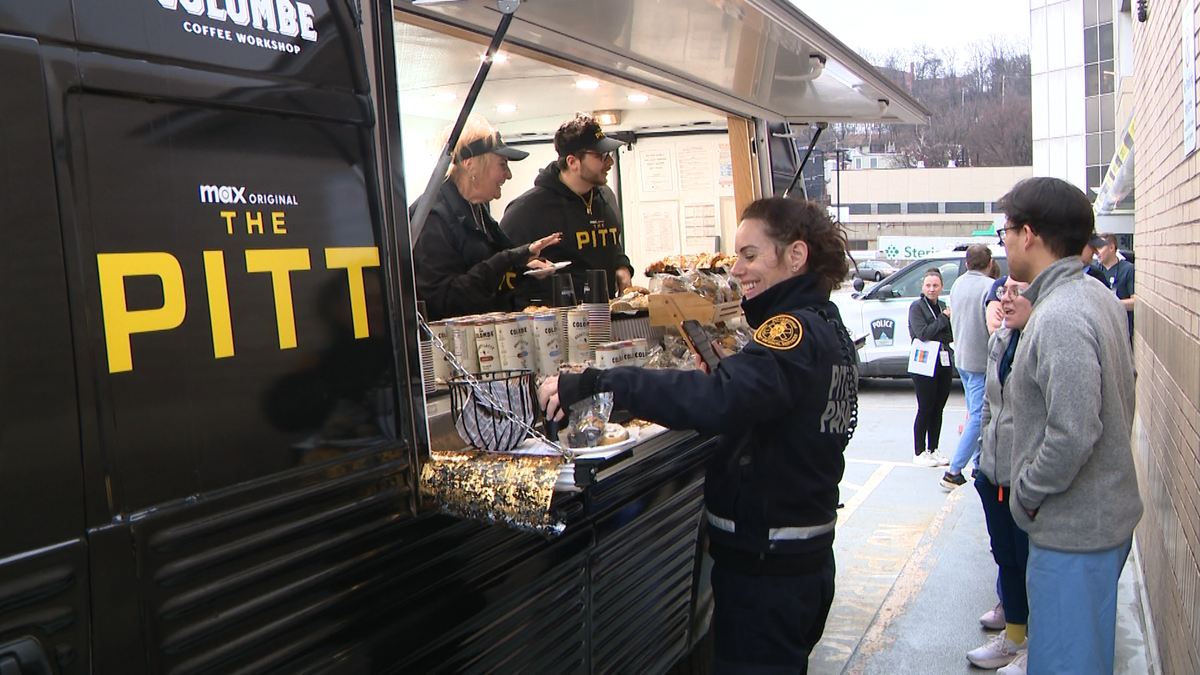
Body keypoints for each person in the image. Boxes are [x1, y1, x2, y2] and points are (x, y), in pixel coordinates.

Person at [538, 197, 857, 673]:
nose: (737, 269)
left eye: (751, 255)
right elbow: (785, 414)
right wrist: (736, 378)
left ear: (796, 256)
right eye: (735, 256)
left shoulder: (789, 331)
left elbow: (718, 401)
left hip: (768, 572)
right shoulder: (827, 324)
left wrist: (600, 382)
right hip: (796, 561)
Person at [997, 177, 1142, 674]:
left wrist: (1027, 495)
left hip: (1074, 535)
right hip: (1096, 526)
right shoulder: (1096, 295)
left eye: (1007, 230)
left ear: (1029, 234)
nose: (1006, 241)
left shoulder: (1059, 314)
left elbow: (1074, 430)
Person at [412, 116, 562, 320]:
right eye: (502, 164)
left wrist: (522, 270)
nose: (508, 175)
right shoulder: (433, 217)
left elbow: (485, 275)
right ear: (470, 164)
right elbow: (444, 300)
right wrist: (508, 259)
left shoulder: (476, 210)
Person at [965, 276, 1033, 674]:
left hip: (1026, 479)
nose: (1004, 300)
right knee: (1006, 559)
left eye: (1014, 292)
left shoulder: (1042, 339)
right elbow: (990, 407)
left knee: (1029, 563)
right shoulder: (1000, 342)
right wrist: (982, 463)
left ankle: (1033, 645)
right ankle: (1014, 637)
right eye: (1002, 292)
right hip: (994, 475)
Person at [501, 113, 633, 303]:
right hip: (557, 323)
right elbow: (501, 266)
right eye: (600, 156)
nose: (610, 162)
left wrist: (621, 266)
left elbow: (613, 245)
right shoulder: (527, 210)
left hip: (605, 315)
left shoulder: (605, 197)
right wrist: (526, 266)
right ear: (572, 162)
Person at [941, 245, 994, 489]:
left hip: (961, 356)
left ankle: (978, 462)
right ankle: (954, 470)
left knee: (974, 410)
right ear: (989, 263)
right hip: (981, 360)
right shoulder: (988, 287)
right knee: (977, 415)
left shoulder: (958, 284)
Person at [909, 269, 953, 468]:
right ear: (922, 287)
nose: (932, 289)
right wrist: (942, 320)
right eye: (928, 285)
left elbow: (949, 336)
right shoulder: (917, 308)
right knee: (925, 407)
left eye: (935, 285)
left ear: (942, 287)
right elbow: (923, 333)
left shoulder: (943, 306)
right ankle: (919, 451)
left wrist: (941, 325)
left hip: (942, 361)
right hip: (923, 364)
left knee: (938, 408)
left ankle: (933, 448)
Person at [1096, 233, 1135, 341]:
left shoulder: (1128, 270)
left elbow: (1135, 302)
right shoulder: (1094, 271)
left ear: (1111, 248)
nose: (1096, 252)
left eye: (1100, 247)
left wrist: (1112, 304)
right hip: (1100, 333)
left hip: (1122, 333)